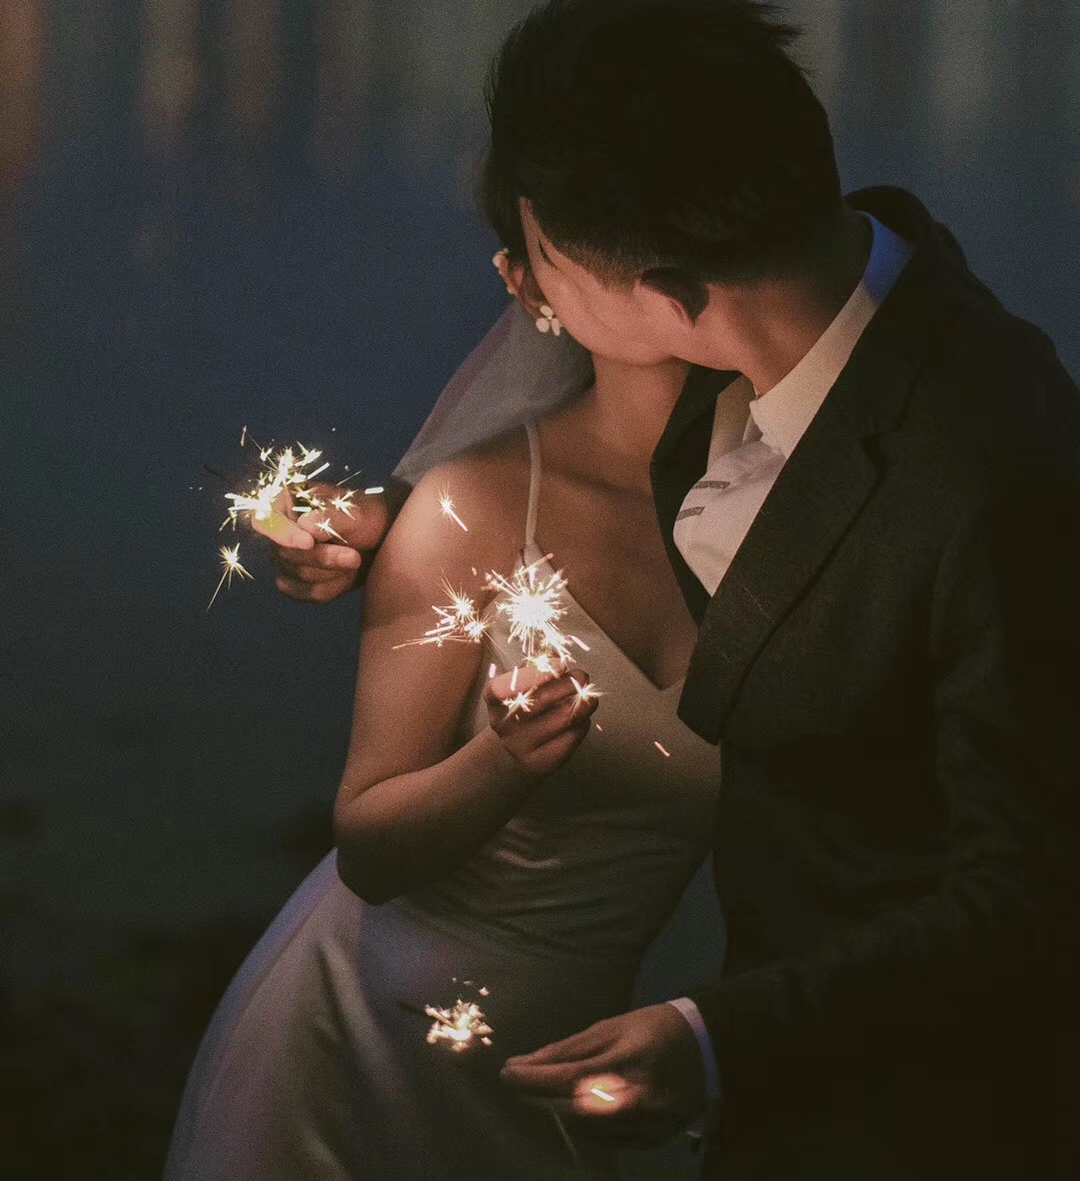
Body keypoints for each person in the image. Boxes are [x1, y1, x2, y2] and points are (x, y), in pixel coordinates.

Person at [263, 0, 1080, 1178]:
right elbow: (610, 482)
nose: (520, 285)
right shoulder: (798, 315)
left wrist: (718, 1047)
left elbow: (1034, 895)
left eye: (543, 256)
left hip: (906, 1122)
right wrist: (397, 528)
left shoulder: (992, 466)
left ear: (661, 296)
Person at [164, 238, 724, 1178]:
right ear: (526, 279)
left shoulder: (790, 518)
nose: (649, 261)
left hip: (577, 1063)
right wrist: (500, 761)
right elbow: (370, 849)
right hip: (360, 1046)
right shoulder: (476, 504)